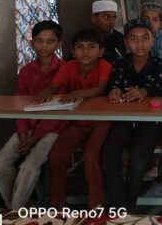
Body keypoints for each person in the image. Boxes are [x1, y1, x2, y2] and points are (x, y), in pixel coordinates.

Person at [0, 20, 65, 209]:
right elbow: (19, 105)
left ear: (59, 44)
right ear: (32, 43)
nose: (44, 45)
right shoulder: (26, 71)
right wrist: (23, 134)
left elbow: (61, 110)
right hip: (27, 128)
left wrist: (35, 137)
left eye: (50, 41)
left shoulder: (65, 70)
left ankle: (13, 212)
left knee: (28, 168)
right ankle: (21, 207)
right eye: (39, 40)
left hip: (52, 130)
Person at [38, 28, 112, 209]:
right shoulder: (68, 66)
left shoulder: (104, 66)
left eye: (91, 47)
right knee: (56, 154)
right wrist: (47, 92)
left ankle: (96, 205)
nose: (85, 52)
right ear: (73, 51)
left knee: (91, 155)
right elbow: (55, 85)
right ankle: (57, 204)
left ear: (100, 51)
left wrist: (77, 93)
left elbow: (101, 89)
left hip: (101, 122)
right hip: (77, 122)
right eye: (80, 47)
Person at [101, 18, 162, 210]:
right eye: (133, 39)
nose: (140, 44)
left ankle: (127, 207)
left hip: (149, 124)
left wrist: (144, 92)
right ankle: (120, 205)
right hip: (123, 120)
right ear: (126, 42)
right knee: (108, 155)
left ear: (153, 40)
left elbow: (158, 86)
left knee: (138, 161)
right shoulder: (120, 63)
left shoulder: (159, 64)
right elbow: (114, 84)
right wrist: (114, 91)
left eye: (145, 38)